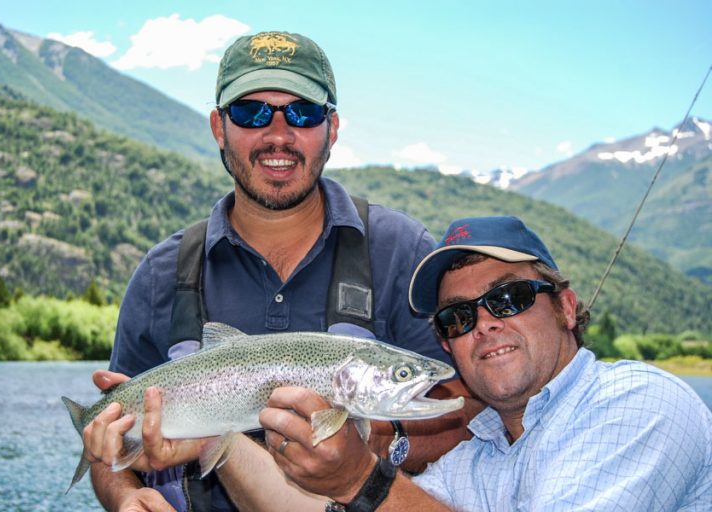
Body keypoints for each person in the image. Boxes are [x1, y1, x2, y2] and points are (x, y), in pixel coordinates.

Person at [82, 31, 483, 512]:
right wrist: (126, 498)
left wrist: (371, 444)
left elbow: (467, 410)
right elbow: (108, 447)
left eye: (303, 113)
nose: (278, 135)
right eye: (251, 112)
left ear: (331, 129)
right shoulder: (159, 274)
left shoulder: (404, 251)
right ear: (218, 127)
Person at [252, 215, 712, 511]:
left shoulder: (639, 403)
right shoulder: (474, 459)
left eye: (509, 297)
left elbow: (378, 496)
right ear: (447, 347)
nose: (484, 324)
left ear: (567, 308)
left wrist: (360, 480)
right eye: (458, 316)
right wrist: (219, 441)